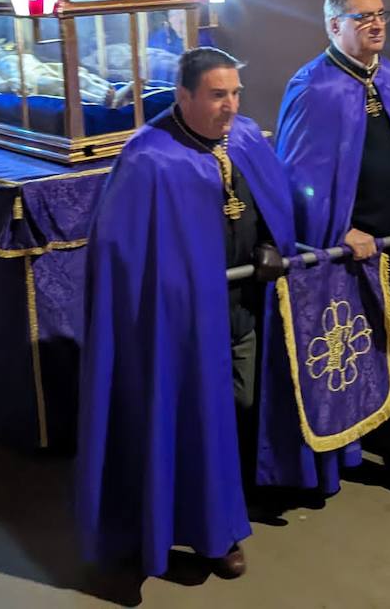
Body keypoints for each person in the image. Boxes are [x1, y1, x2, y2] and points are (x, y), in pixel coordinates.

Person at [77, 47, 296, 579]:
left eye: (236, 93)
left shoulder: (242, 138)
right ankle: (206, 536)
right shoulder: (149, 158)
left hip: (242, 308)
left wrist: (271, 242)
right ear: (184, 96)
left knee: (242, 406)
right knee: (189, 419)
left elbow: (273, 202)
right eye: (218, 95)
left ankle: (232, 504)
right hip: (178, 327)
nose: (230, 106)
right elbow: (121, 254)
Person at [275, 0, 390, 507]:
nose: (377, 23)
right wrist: (337, 230)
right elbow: (295, 176)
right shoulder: (314, 87)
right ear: (335, 26)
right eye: (363, 17)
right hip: (352, 253)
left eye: (381, 14)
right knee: (367, 347)